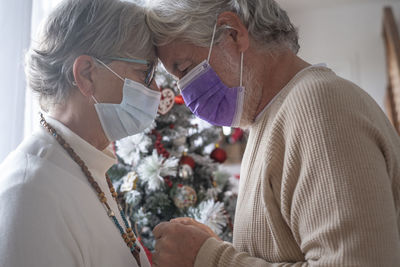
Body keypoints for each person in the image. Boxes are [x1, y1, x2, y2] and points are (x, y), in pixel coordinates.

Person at [144, 0, 400, 266]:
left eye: (184, 69)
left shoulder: (318, 104)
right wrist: (214, 250)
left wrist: (211, 258)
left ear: (232, 32)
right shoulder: (267, 121)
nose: (184, 91)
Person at [0, 0, 160, 266]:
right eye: (145, 73)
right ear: (86, 74)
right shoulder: (30, 194)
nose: (156, 89)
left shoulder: (82, 162)